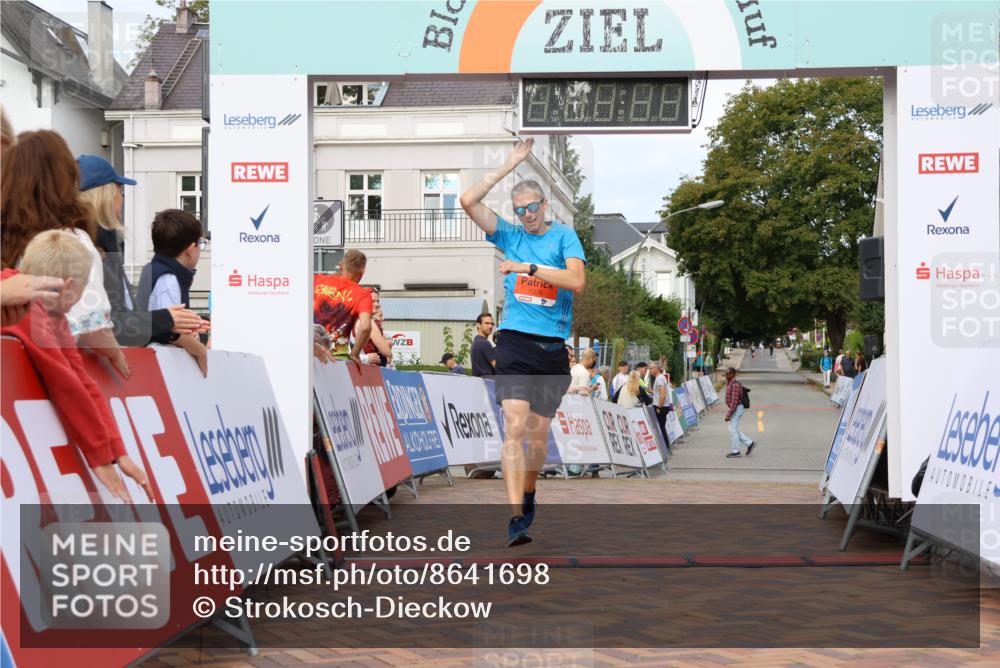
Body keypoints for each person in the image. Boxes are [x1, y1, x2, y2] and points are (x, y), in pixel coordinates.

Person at [460, 137, 586, 547]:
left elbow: (576, 281)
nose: (527, 215)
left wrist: (530, 267)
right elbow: (467, 200)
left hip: (551, 349)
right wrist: (509, 165)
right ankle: (515, 516)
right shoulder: (510, 235)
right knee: (513, 424)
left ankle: (529, 491)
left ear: (544, 206)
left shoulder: (564, 237)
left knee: (537, 437)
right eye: (519, 210)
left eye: (532, 207)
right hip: (513, 341)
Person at [1, 230, 153, 503]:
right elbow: (65, 383)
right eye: (83, 291)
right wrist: (99, 457)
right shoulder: (34, 313)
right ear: (69, 286)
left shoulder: (52, 315)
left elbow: (82, 381)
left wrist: (116, 450)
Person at [1, 129, 131, 380]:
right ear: (65, 178)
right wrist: (114, 350)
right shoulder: (70, 242)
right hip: (52, 374)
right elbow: (89, 321)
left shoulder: (8, 239)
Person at [77, 155, 206, 347]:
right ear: (107, 194)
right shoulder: (86, 249)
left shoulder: (99, 246)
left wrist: (170, 330)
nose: (122, 199)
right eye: (121, 192)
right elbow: (100, 323)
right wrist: (167, 321)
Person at [135, 209, 209, 376]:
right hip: (163, 366)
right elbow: (170, 331)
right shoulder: (168, 278)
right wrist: (200, 350)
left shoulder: (155, 271)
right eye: (200, 243)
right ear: (191, 248)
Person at [313, 249, 372, 363]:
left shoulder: (317, 280)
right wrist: (355, 354)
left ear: (341, 266)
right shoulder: (362, 294)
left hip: (310, 350)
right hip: (335, 357)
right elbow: (365, 327)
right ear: (363, 270)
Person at [724, 367, 756, 458]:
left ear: (732, 374)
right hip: (736, 408)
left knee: (732, 429)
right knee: (733, 428)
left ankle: (736, 451)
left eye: (727, 373)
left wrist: (728, 415)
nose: (726, 375)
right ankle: (749, 443)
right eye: (725, 374)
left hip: (737, 409)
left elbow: (734, 402)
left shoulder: (734, 385)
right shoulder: (730, 383)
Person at [359, 287, 392, 366]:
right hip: (367, 368)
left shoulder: (359, 319)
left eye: (377, 301)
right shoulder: (368, 321)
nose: (377, 304)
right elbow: (387, 352)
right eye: (372, 301)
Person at [650, 361, 671, 446]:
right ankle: (666, 447)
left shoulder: (659, 378)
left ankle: (665, 447)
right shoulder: (660, 378)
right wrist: (652, 391)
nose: (650, 370)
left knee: (660, 428)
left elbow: (662, 394)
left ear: (656, 369)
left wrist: (659, 406)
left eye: (651, 368)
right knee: (661, 427)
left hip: (661, 407)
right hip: (663, 406)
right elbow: (660, 392)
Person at [470, 312, 496, 377]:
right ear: (478, 325)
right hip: (487, 383)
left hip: (478, 382)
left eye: (492, 324)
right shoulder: (484, 343)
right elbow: (497, 367)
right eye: (487, 323)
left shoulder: (476, 341)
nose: (490, 326)